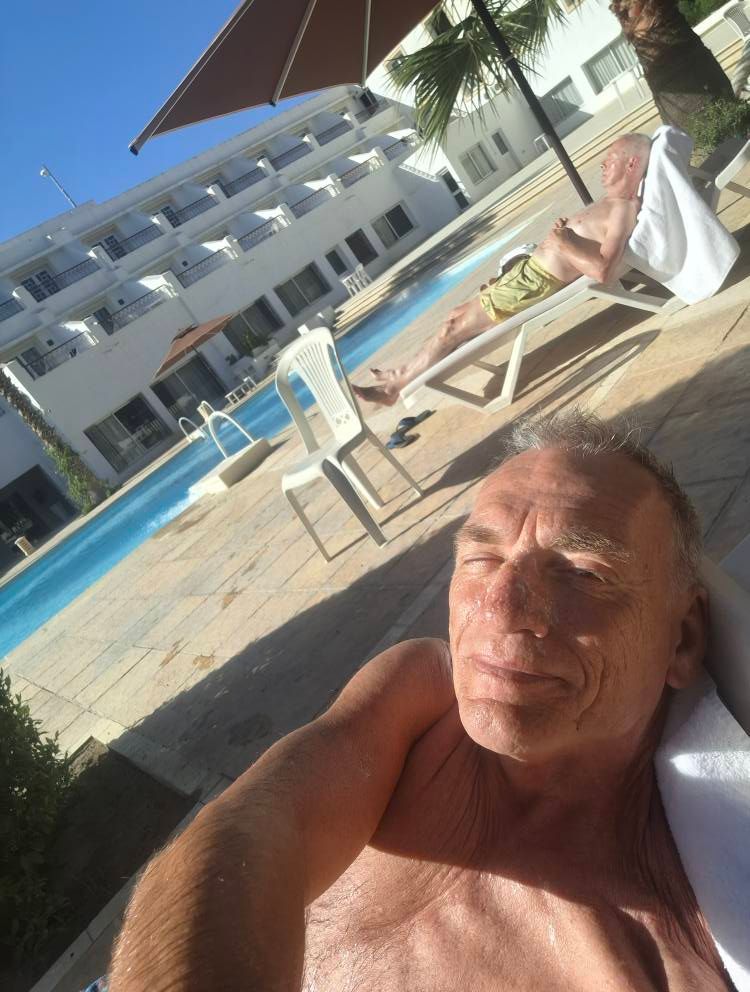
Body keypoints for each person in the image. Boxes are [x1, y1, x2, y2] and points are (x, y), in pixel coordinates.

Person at [109, 408, 733, 991]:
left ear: (681, 639)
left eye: (583, 571)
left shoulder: (655, 966)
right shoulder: (422, 697)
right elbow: (247, 833)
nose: (498, 608)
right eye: (482, 557)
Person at [352, 133, 651, 407]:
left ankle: (395, 386)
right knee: (454, 316)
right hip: (526, 275)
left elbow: (602, 271)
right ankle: (400, 375)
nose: (603, 165)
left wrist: (566, 241)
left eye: (611, 159)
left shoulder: (621, 210)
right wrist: (566, 237)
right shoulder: (608, 203)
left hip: (534, 285)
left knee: (452, 329)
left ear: (632, 164)